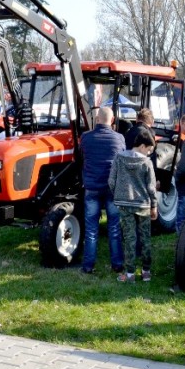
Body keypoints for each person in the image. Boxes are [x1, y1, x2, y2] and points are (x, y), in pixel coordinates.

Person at [79, 106, 125, 274]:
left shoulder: (85, 138)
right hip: (112, 188)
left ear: (97, 119)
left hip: (91, 187)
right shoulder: (119, 139)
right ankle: (117, 264)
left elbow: (81, 157)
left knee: (91, 229)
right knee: (114, 228)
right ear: (111, 120)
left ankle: (88, 266)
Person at [109, 128, 159, 283]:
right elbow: (151, 187)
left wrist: (118, 194)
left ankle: (129, 274)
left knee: (129, 238)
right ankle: (146, 272)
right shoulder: (146, 162)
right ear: (143, 146)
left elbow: (111, 181)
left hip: (124, 204)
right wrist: (154, 206)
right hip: (143, 204)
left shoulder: (119, 158)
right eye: (149, 149)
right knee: (145, 238)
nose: (149, 153)